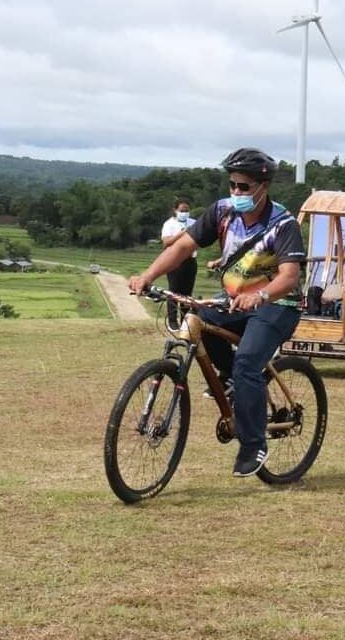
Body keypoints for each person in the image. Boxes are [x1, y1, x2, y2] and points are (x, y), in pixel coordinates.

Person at [128, 147, 306, 478]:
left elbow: (289, 276)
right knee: (198, 321)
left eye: (244, 187)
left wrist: (262, 295)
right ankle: (232, 384)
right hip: (233, 300)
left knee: (248, 363)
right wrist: (148, 276)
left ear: (263, 187)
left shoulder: (283, 224)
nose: (236, 192)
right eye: (232, 185)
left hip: (277, 305)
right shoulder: (223, 212)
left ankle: (253, 445)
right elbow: (182, 247)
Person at [160, 198, 197, 330]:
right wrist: (182, 234)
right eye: (182, 210)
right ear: (175, 210)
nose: (185, 213)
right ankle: (172, 320)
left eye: (187, 211)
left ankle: (185, 321)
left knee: (187, 294)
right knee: (174, 291)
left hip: (190, 260)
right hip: (174, 262)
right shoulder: (169, 224)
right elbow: (166, 243)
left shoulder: (194, 223)